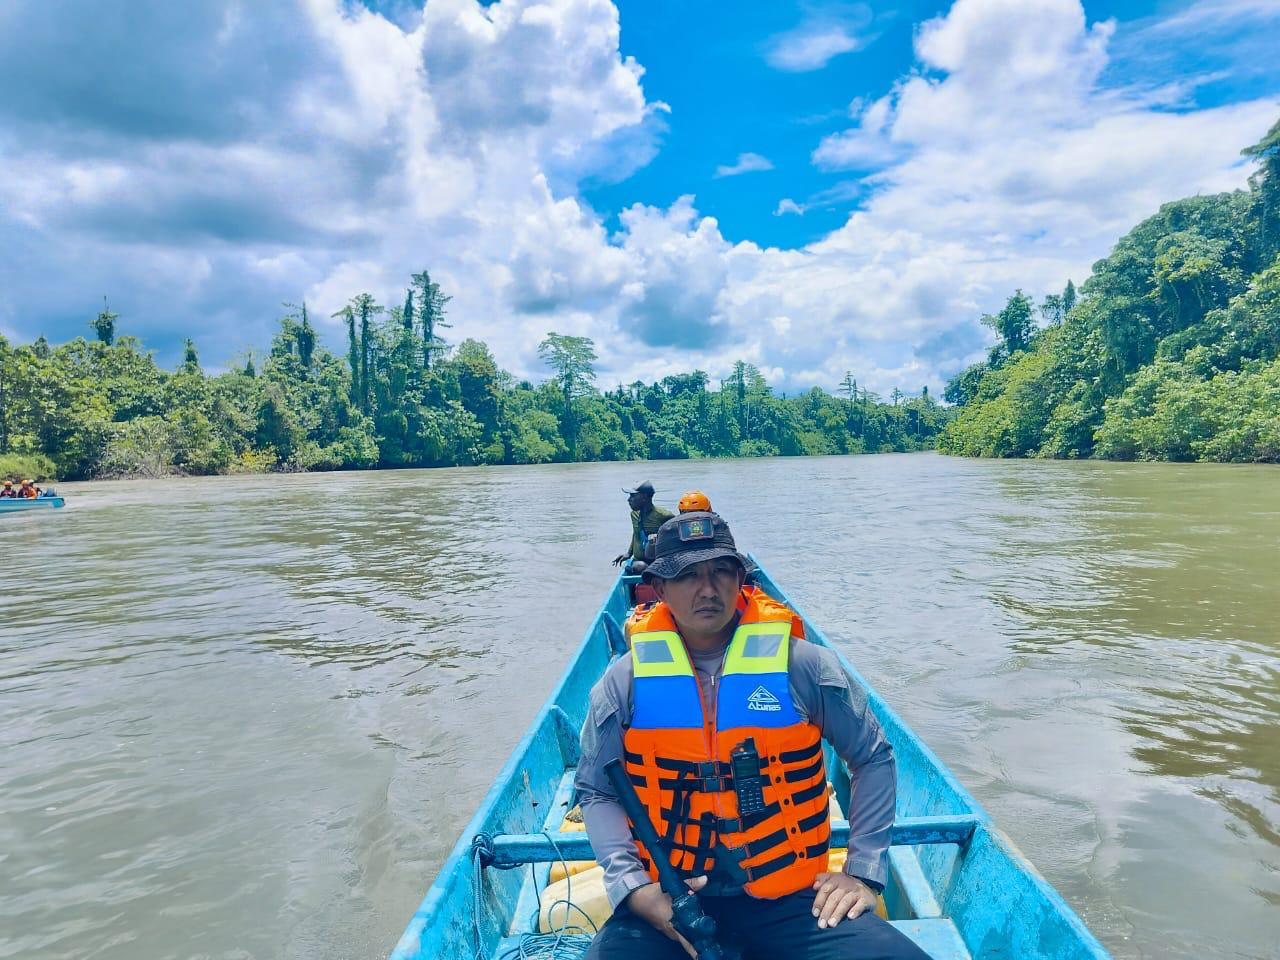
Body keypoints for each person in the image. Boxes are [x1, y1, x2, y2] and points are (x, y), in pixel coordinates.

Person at [578, 513, 930, 960]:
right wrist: (633, 889)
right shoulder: (622, 683)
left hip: (790, 899)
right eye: (687, 576)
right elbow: (594, 789)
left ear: (741, 578)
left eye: (720, 571)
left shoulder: (805, 665)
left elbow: (873, 757)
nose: (707, 589)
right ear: (660, 590)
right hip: (671, 896)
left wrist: (863, 871)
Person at [612, 481, 674, 568]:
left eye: (633, 496)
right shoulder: (634, 514)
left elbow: (675, 538)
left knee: (643, 566)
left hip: (658, 561)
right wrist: (629, 553)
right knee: (640, 566)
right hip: (638, 562)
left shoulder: (664, 516)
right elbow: (636, 534)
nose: (629, 499)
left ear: (644, 497)